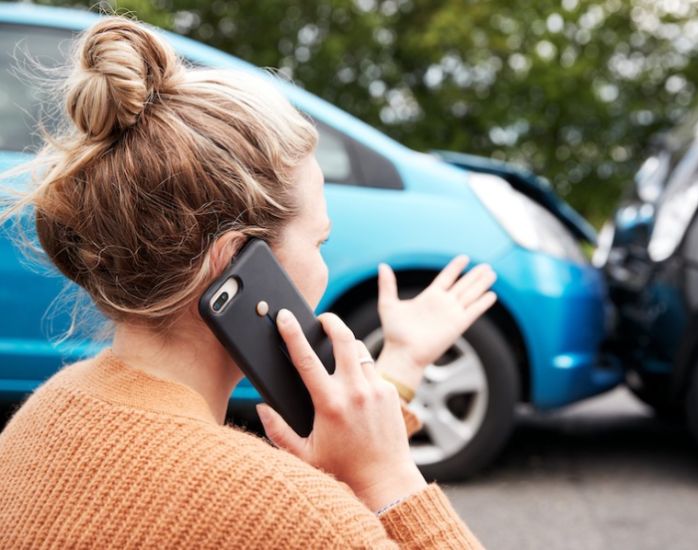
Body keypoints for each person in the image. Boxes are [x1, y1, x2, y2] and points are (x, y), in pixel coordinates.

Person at [0, 13, 500, 549]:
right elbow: (292, 515)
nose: (322, 266)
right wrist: (392, 481)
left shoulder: (45, 414)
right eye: (319, 242)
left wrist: (399, 366)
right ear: (234, 264)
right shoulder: (296, 515)